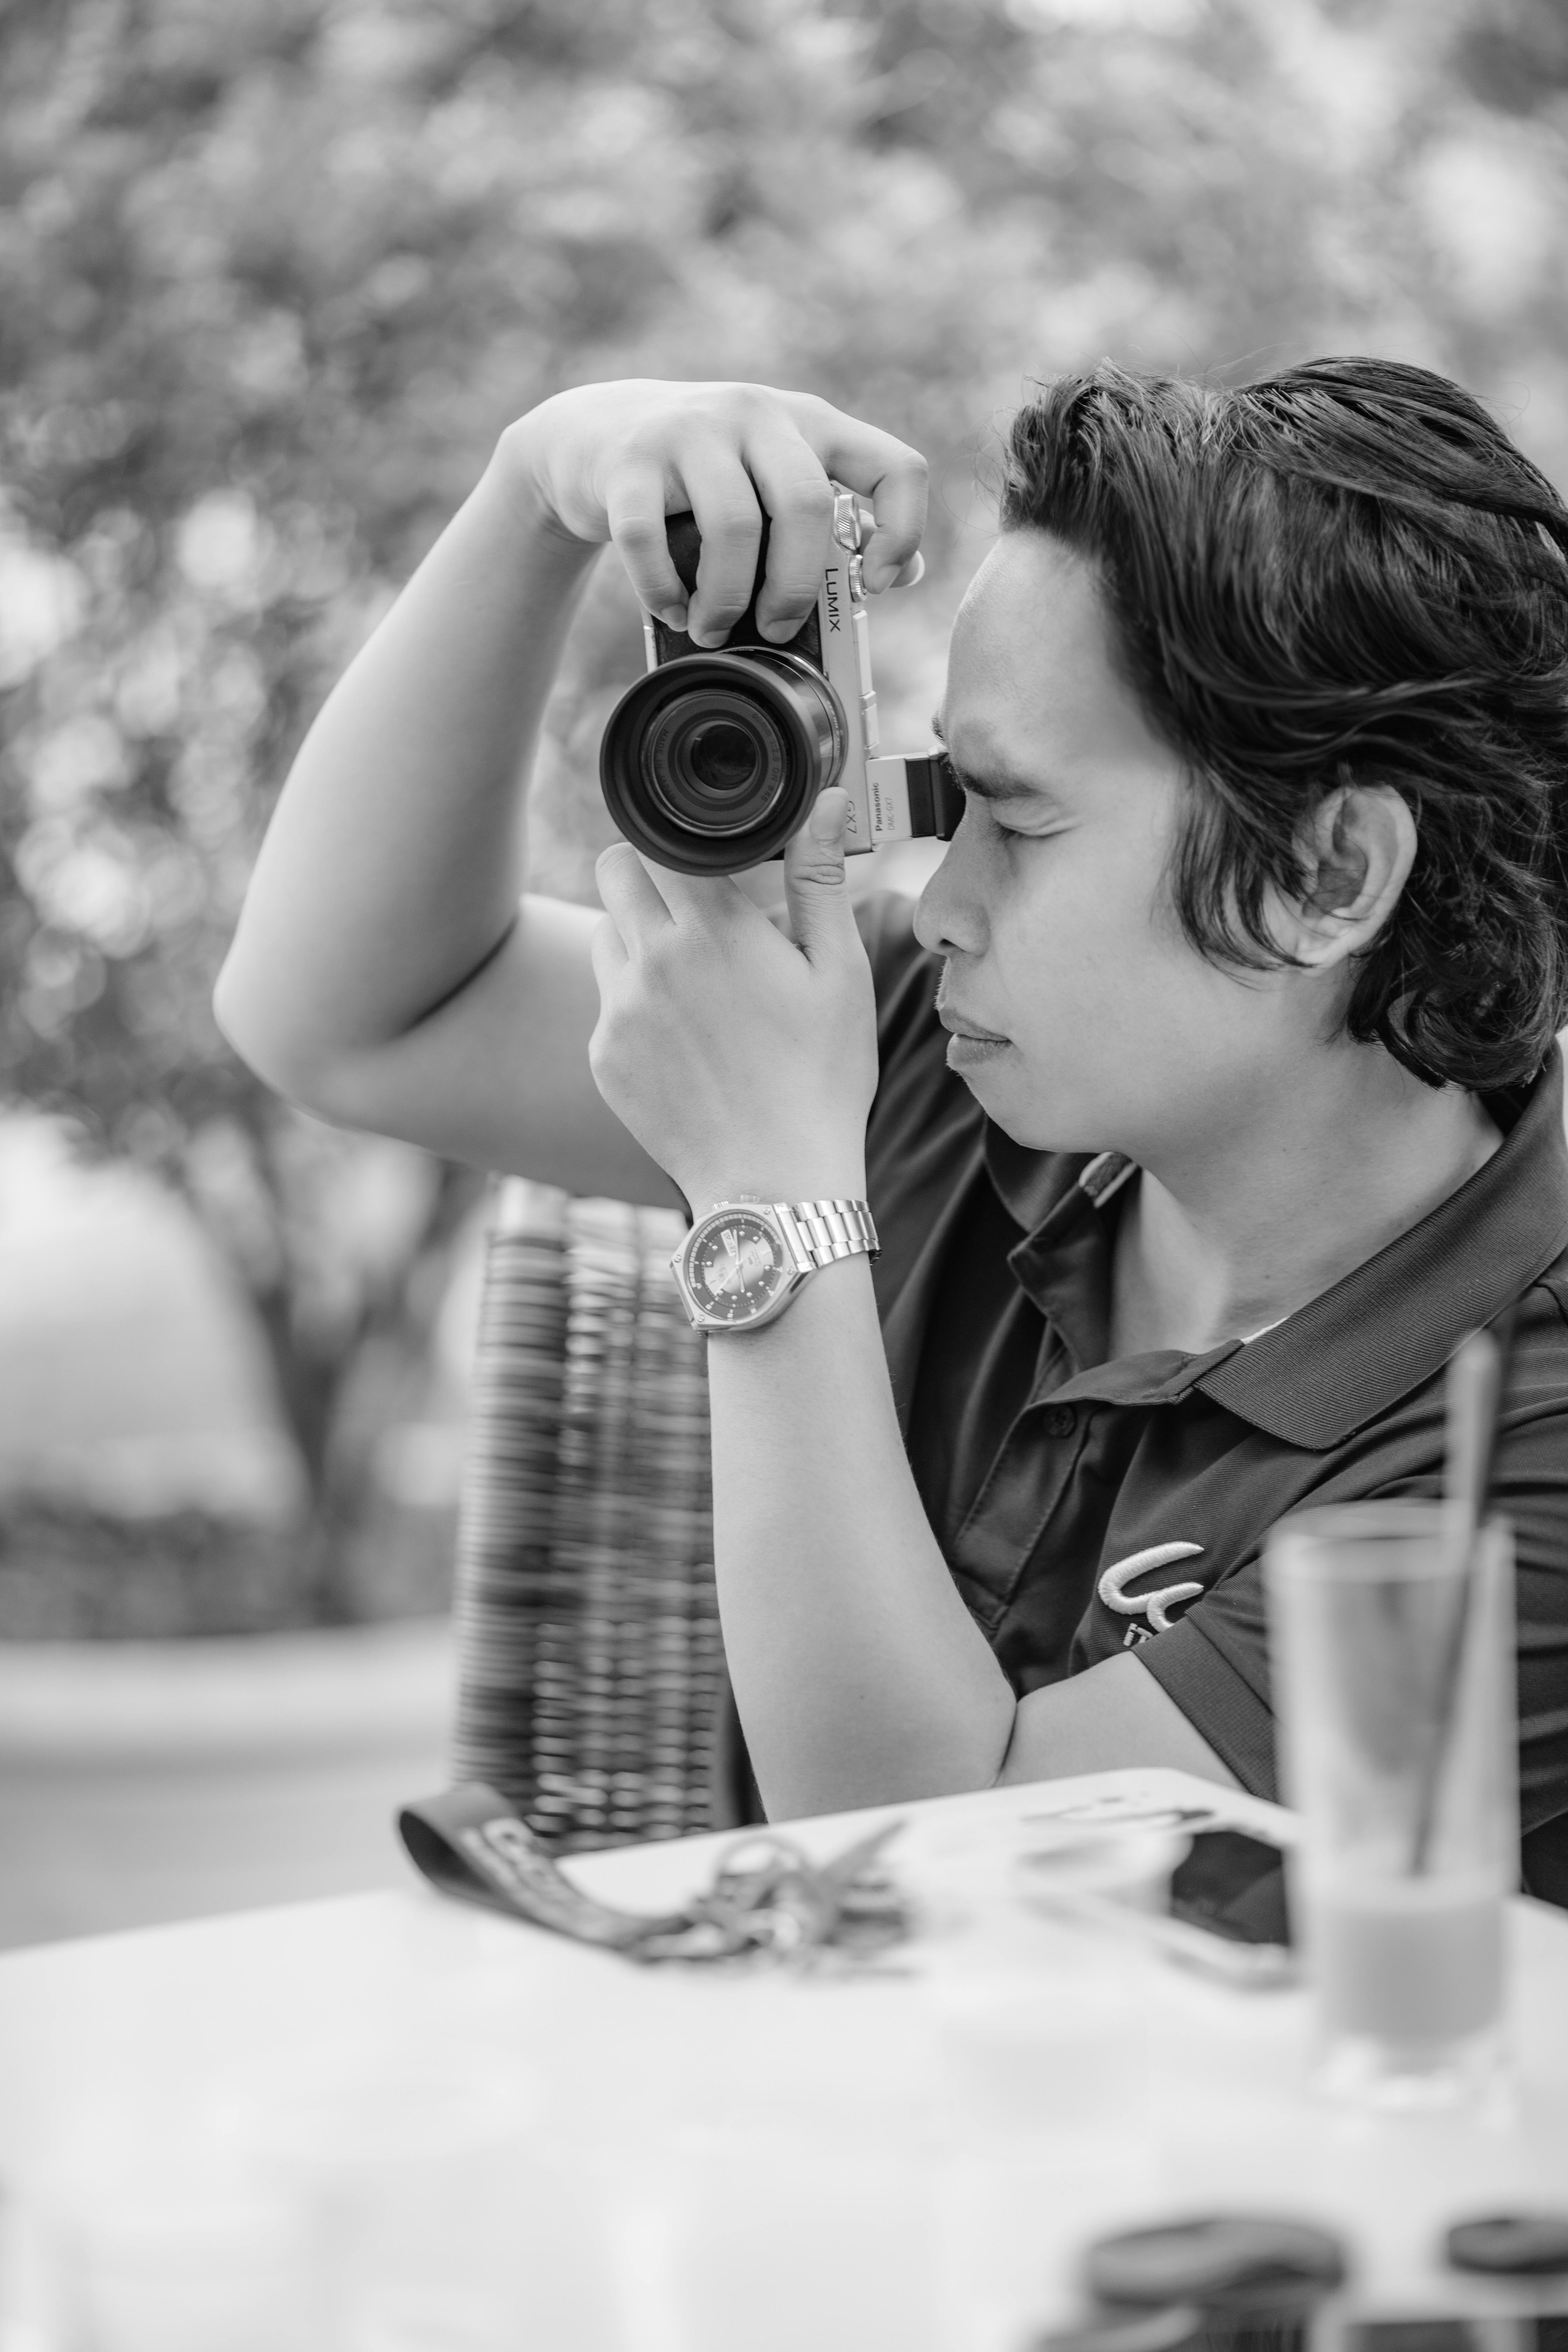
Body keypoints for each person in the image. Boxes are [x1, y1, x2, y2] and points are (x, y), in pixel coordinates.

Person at [215, 364, 1568, 1901]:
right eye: (945, 801)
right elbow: (347, 1016)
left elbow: (941, 1875)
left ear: (1324, 876)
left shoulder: (1521, 1434)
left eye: (1020, 818)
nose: (941, 904)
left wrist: (772, 1191)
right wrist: (536, 490)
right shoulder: (973, 1062)